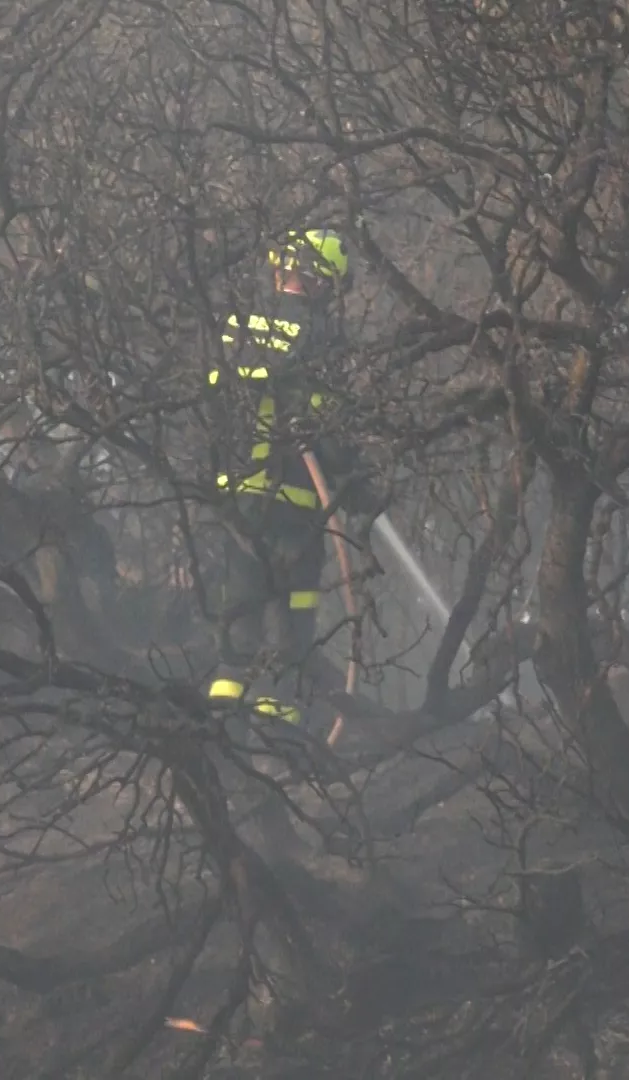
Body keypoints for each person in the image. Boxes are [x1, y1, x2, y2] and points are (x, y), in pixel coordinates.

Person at [203, 227, 373, 739]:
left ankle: (220, 730)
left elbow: (217, 398)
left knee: (240, 616)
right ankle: (278, 738)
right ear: (320, 281)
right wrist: (358, 480)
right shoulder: (323, 341)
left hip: (239, 501)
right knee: (290, 623)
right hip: (296, 506)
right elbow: (333, 432)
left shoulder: (236, 325)